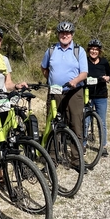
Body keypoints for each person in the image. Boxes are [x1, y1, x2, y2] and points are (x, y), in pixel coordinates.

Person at [40, 21, 88, 149]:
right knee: (52, 124)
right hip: (55, 91)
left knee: (75, 124)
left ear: (72, 35)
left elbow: (84, 73)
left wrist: (76, 80)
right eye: (62, 33)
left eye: (67, 33)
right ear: (58, 34)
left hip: (74, 91)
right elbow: (44, 68)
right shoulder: (51, 50)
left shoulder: (79, 50)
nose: (64, 35)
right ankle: (51, 158)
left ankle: (76, 159)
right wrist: (51, 80)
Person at [86, 38, 110, 157]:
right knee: (85, 121)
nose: (94, 51)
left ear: (99, 51)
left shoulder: (104, 62)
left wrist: (108, 78)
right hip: (87, 95)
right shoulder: (84, 62)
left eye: (96, 50)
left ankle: (103, 146)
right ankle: (82, 145)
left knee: (101, 122)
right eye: (92, 49)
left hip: (101, 95)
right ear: (89, 50)